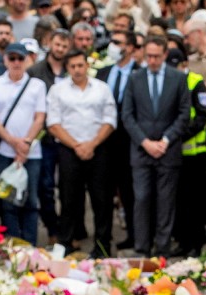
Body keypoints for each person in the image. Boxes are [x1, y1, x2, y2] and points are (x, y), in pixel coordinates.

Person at [121, 36, 190, 257]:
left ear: (165, 55)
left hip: (167, 149)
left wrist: (166, 140)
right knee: (141, 199)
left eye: (156, 56)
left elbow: (183, 113)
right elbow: (127, 115)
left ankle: (162, 248)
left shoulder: (178, 78)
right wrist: (145, 142)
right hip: (141, 150)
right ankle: (142, 247)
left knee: (165, 201)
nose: (151, 60)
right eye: (149, 56)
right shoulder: (135, 78)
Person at [47, 47, 117, 255]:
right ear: (67, 68)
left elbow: (110, 120)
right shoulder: (58, 90)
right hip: (70, 149)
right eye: (73, 66)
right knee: (69, 199)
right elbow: (53, 123)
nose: (77, 70)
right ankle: (67, 243)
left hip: (98, 148)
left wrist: (92, 144)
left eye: (80, 65)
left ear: (87, 65)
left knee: (102, 200)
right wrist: (77, 146)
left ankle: (102, 246)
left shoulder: (101, 88)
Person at [0, 43, 47, 245]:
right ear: (5, 60)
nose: (16, 63)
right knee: (7, 202)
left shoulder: (37, 85)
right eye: (12, 58)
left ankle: (30, 246)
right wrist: (13, 142)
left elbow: (40, 117)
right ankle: (13, 245)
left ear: (27, 60)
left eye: (20, 59)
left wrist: (26, 143)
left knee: (30, 202)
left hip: (31, 153)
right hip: (5, 150)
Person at [167, 49, 206, 258]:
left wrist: (177, 135)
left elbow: (201, 115)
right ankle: (183, 242)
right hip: (174, 153)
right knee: (179, 201)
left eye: (178, 64)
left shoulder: (195, 81)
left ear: (185, 63)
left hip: (195, 152)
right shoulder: (168, 82)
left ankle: (196, 244)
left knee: (196, 201)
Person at [97, 29, 140, 250]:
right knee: (103, 193)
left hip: (129, 142)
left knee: (129, 192)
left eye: (118, 42)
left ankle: (135, 236)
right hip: (104, 142)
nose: (113, 46)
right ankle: (102, 239)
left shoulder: (139, 73)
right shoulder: (102, 73)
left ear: (131, 47)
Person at [29, 29, 70, 243]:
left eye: (64, 46)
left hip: (67, 137)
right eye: (57, 44)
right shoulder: (35, 71)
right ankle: (52, 229)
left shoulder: (72, 69)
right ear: (49, 44)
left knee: (68, 186)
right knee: (45, 187)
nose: (60, 49)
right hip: (44, 138)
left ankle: (69, 230)